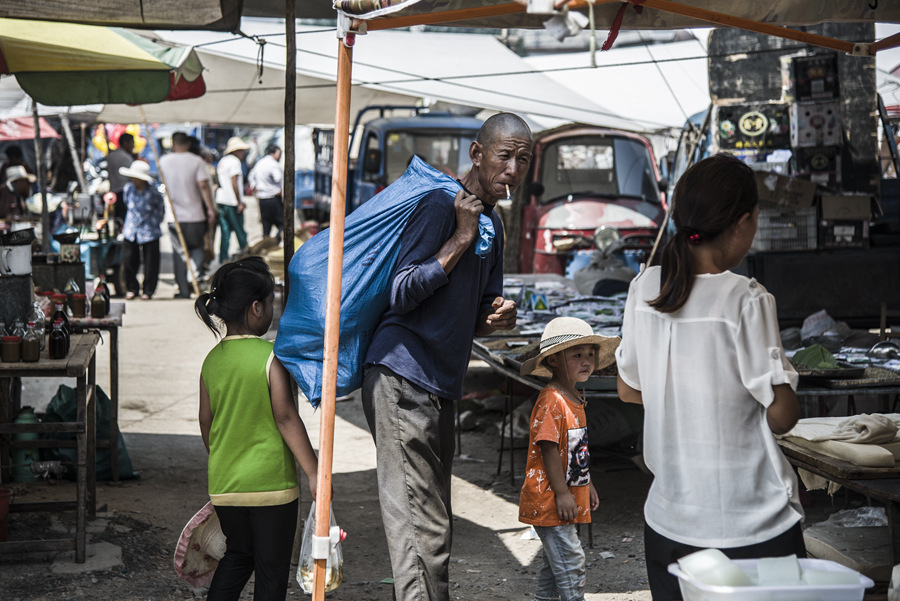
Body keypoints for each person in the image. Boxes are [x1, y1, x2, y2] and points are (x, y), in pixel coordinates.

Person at [614, 154, 804, 601]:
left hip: (669, 521)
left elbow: (628, 389)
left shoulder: (645, 288)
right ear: (742, 222)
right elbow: (782, 417)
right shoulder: (746, 298)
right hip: (751, 522)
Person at [362, 112, 532, 601]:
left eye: (523, 159)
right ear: (477, 154)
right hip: (401, 375)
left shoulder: (492, 225)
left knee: (433, 522)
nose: (513, 170)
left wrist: (494, 317)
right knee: (421, 526)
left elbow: (474, 313)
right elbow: (401, 291)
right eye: (505, 156)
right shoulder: (442, 207)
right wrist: (458, 237)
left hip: (440, 384)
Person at [195, 256, 319, 601]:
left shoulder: (211, 360)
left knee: (238, 556)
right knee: (271, 569)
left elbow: (207, 422)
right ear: (255, 308)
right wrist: (314, 471)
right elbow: (286, 418)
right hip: (271, 487)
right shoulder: (270, 356)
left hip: (226, 486)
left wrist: (223, 458)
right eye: (270, 304)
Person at [518, 317, 618, 601]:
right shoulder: (552, 399)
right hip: (549, 499)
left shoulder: (573, 395)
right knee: (571, 563)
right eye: (577, 354)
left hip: (563, 496)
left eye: (590, 354)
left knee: (555, 567)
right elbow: (548, 448)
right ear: (552, 360)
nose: (586, 360)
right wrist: (563, 493)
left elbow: (575, 450)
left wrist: (587, 482)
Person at [158, 132, 217, 298]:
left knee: (179, 254)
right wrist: (211, 208)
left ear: (173, 143)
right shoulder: (196, 161)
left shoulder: (163, 161)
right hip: (195, 214)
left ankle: (183, 290)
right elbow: (204, 186)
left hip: (173, 217)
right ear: (188, 144)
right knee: (197, 248)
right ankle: (194, 277)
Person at [118, 160, 164, 300]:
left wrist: (154, 222)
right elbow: (127, 204)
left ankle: (148, 290)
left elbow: (160, 210)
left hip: (149, 230)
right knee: (129, 260)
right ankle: (132, 288)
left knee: (151, 262)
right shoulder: (128, 189)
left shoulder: (153, 192)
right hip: (131, 230)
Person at [215, 137, 250, 263]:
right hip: (231, 202)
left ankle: (223, 257)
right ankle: (247, 255)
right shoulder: (235, 162)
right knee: (240, 230)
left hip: (222, 200)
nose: (243, 153)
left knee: (225, 232)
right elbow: (234, 181)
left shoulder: (222, 161)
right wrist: (239, 202)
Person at [248, 145, 284, 244]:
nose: (280, 156)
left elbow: (251, 176)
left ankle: (266, 244)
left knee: (266, 225)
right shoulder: (273, 164)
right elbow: (278, 178)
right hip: (273, 198)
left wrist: (254, 186)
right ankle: (275, 241)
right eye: (279, 154)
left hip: (262, 199)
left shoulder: (260, 163)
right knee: (283, 223)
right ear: (272, 154)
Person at [106, 133, 136, 223]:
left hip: (114, 193)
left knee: (118, 220)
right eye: (132, 143)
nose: (133, 146)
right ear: (126, 143)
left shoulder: (111, 156)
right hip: (124, 193)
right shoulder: (126, 157)